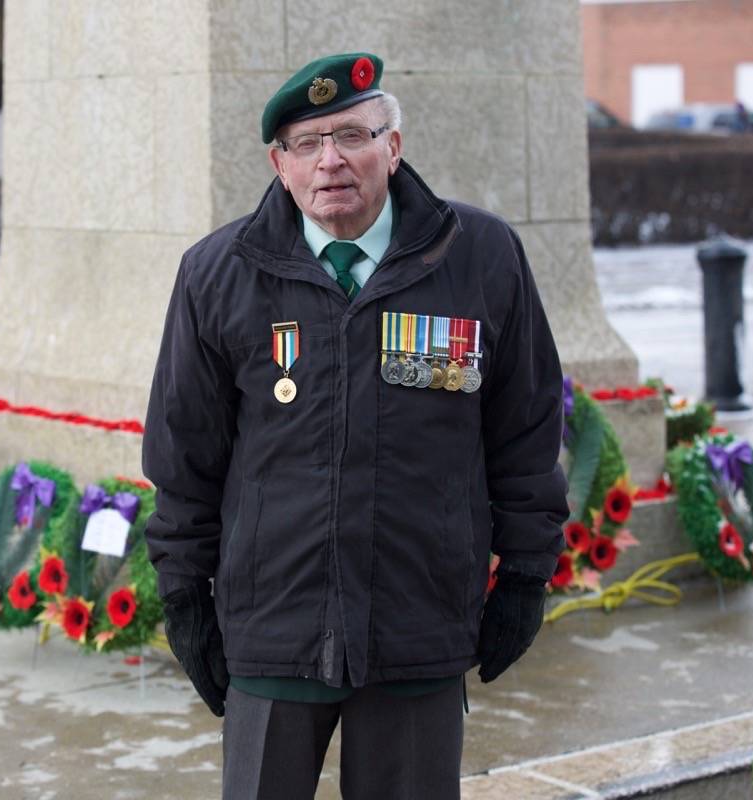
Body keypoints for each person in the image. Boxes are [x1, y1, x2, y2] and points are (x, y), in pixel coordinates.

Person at [143, 52, 568, 799]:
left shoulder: (481, 257)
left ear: (393, 146)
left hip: (418, 627)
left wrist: (527, 572)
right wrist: (184, 593)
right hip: (274, 629)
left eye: (352, 135)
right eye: (307, 143)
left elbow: (525, 430)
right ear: (280, 164)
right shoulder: (217, 274)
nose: (330, 161)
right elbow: (184, 455)